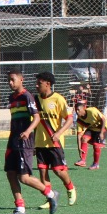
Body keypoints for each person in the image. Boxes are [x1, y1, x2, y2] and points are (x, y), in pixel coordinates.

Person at [1, 70, 57, 214]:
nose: (10, 83)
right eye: (9, 80)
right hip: (13, 140)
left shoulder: (27, 96)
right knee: (11, 173)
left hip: (24, 141)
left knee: (24, 177)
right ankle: (20, 208)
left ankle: (51, 194)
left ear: (21, 80)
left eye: (13, 80)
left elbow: (37, 117)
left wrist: (28, 132)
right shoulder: (11, 97)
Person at [33, 71, 77, 206]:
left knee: (58, 170)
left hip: (54, 143)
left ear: (48, 84)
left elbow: (69, 119)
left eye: (39, 83)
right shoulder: (35, 100)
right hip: (40, 143)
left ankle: (70, 187)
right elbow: (34, 122)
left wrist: (59, 133)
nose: (36, 86)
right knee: (42, 171)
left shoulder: (58, 99)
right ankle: (50, 199)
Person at [77, 95, 107, 170]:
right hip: (92, 129)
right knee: (84, 139)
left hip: (102, 128)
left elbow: (103, 119)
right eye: (76, 110)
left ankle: (96, 164)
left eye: (78, 110)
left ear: (84, 108)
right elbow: (79, 135)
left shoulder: (92, 111)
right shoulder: (79, 119)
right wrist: (79, 148)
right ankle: (83, 160)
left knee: (96, 145)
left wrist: (101, 133)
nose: (77, 112)